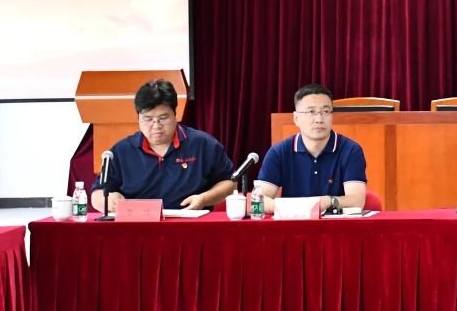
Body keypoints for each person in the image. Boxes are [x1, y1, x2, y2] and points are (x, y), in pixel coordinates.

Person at [91, 78, 235, 212]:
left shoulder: (204, 144)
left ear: (175, 114)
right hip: (139, 224)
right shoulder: (122, 151)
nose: (156, 126)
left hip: (190, 222)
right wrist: (107, 201)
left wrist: (204, 199)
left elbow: (230, 182)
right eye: (148, 119)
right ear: (138, 118)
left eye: (163, 118)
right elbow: (97, 194)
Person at [256, 83, 368, 213]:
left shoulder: (351, 150)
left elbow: (357, 202)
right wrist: (299, 208)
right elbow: (258, 201)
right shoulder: (279, 152)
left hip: (335, 224)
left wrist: (327, 201)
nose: (319, 119)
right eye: (311, 112)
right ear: (296, 118)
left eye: (325, 111)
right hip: (293, 223)